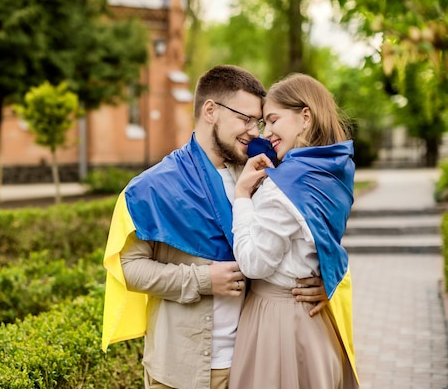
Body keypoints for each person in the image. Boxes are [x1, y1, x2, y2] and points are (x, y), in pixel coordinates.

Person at [101, 65, 328, 389]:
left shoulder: (261, 178)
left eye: (259, 122)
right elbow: (128, 269)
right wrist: (203, 280)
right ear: (211, 111)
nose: (255, 132)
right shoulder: (152, 187)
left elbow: (308, 243)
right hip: (180, 368)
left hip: (251, 362)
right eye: (246, 119)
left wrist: (324, 283)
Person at [228, 73, 359, 389]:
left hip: (277, 325)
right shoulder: (331, 171)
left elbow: (254, 264)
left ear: (305, 116)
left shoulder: (284, 185)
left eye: (273, 120)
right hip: (313, 324)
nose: (267, 132)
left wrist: (242, 197)